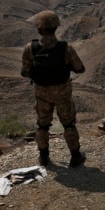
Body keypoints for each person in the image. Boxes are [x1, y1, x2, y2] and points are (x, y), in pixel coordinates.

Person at [21, 10, 87, 168]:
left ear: (40, 29)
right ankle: (75, 156)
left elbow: (25, 72)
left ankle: (44, 157)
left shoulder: (30, 48)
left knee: (42, 125)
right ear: (55, 27)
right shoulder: (66, 48)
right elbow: (80, 69)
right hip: (63, 92)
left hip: (41, 93)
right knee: (68, 124)